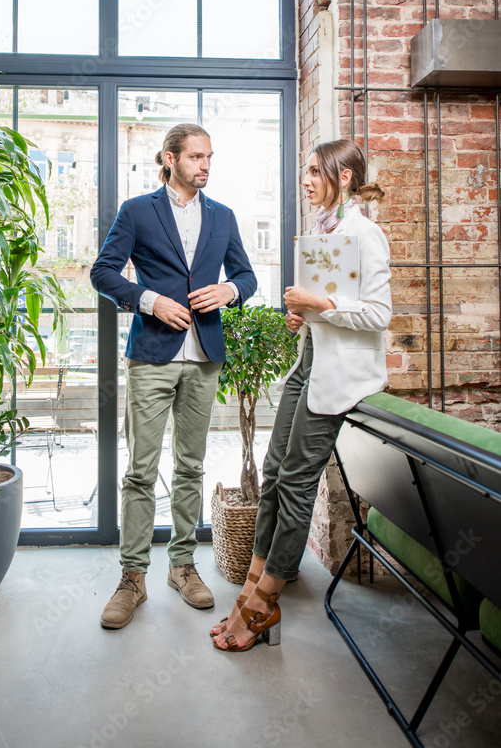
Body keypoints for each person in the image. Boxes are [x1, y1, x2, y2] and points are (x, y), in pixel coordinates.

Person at [212, 138, 391, 651]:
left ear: (346, 178)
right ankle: (250, 586)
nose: (307, 180)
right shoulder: (320, 233)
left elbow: (379, 315)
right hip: (307, 365)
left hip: (341, 376)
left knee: (294, 483)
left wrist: (320, 302)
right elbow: (326, 310)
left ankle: (264, 601)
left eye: (316, 172)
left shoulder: (366, 235)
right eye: (306, 172)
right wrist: (303, 315)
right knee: (272, 475)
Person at [91, 123, 257, 630]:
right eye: (196, 157)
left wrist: (229, 292)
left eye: (210, 157)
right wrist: (149, 300)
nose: (205, 165)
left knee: (191, 467)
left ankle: (182, 566)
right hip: (151, 356)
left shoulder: (224, 217)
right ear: (170, 159)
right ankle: (132, 577)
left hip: (205, 356)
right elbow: (103, 272)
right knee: (140, 471)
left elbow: (247, 276)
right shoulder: (138, 211)